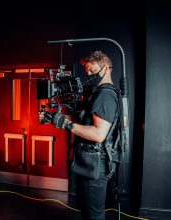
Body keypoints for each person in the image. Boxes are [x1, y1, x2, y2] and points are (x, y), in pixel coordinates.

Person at [40, 50, 120, 220]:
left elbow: (99, 134)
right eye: (87, 71)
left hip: (96, 168)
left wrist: (65, 124)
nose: (89, 75)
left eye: (92, 71)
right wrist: (53, 117)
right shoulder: (98, 94)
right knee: (87, 211)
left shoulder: (105, 96)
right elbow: (83, 120)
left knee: (94, 215)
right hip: (88, 164)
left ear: (106, 69)